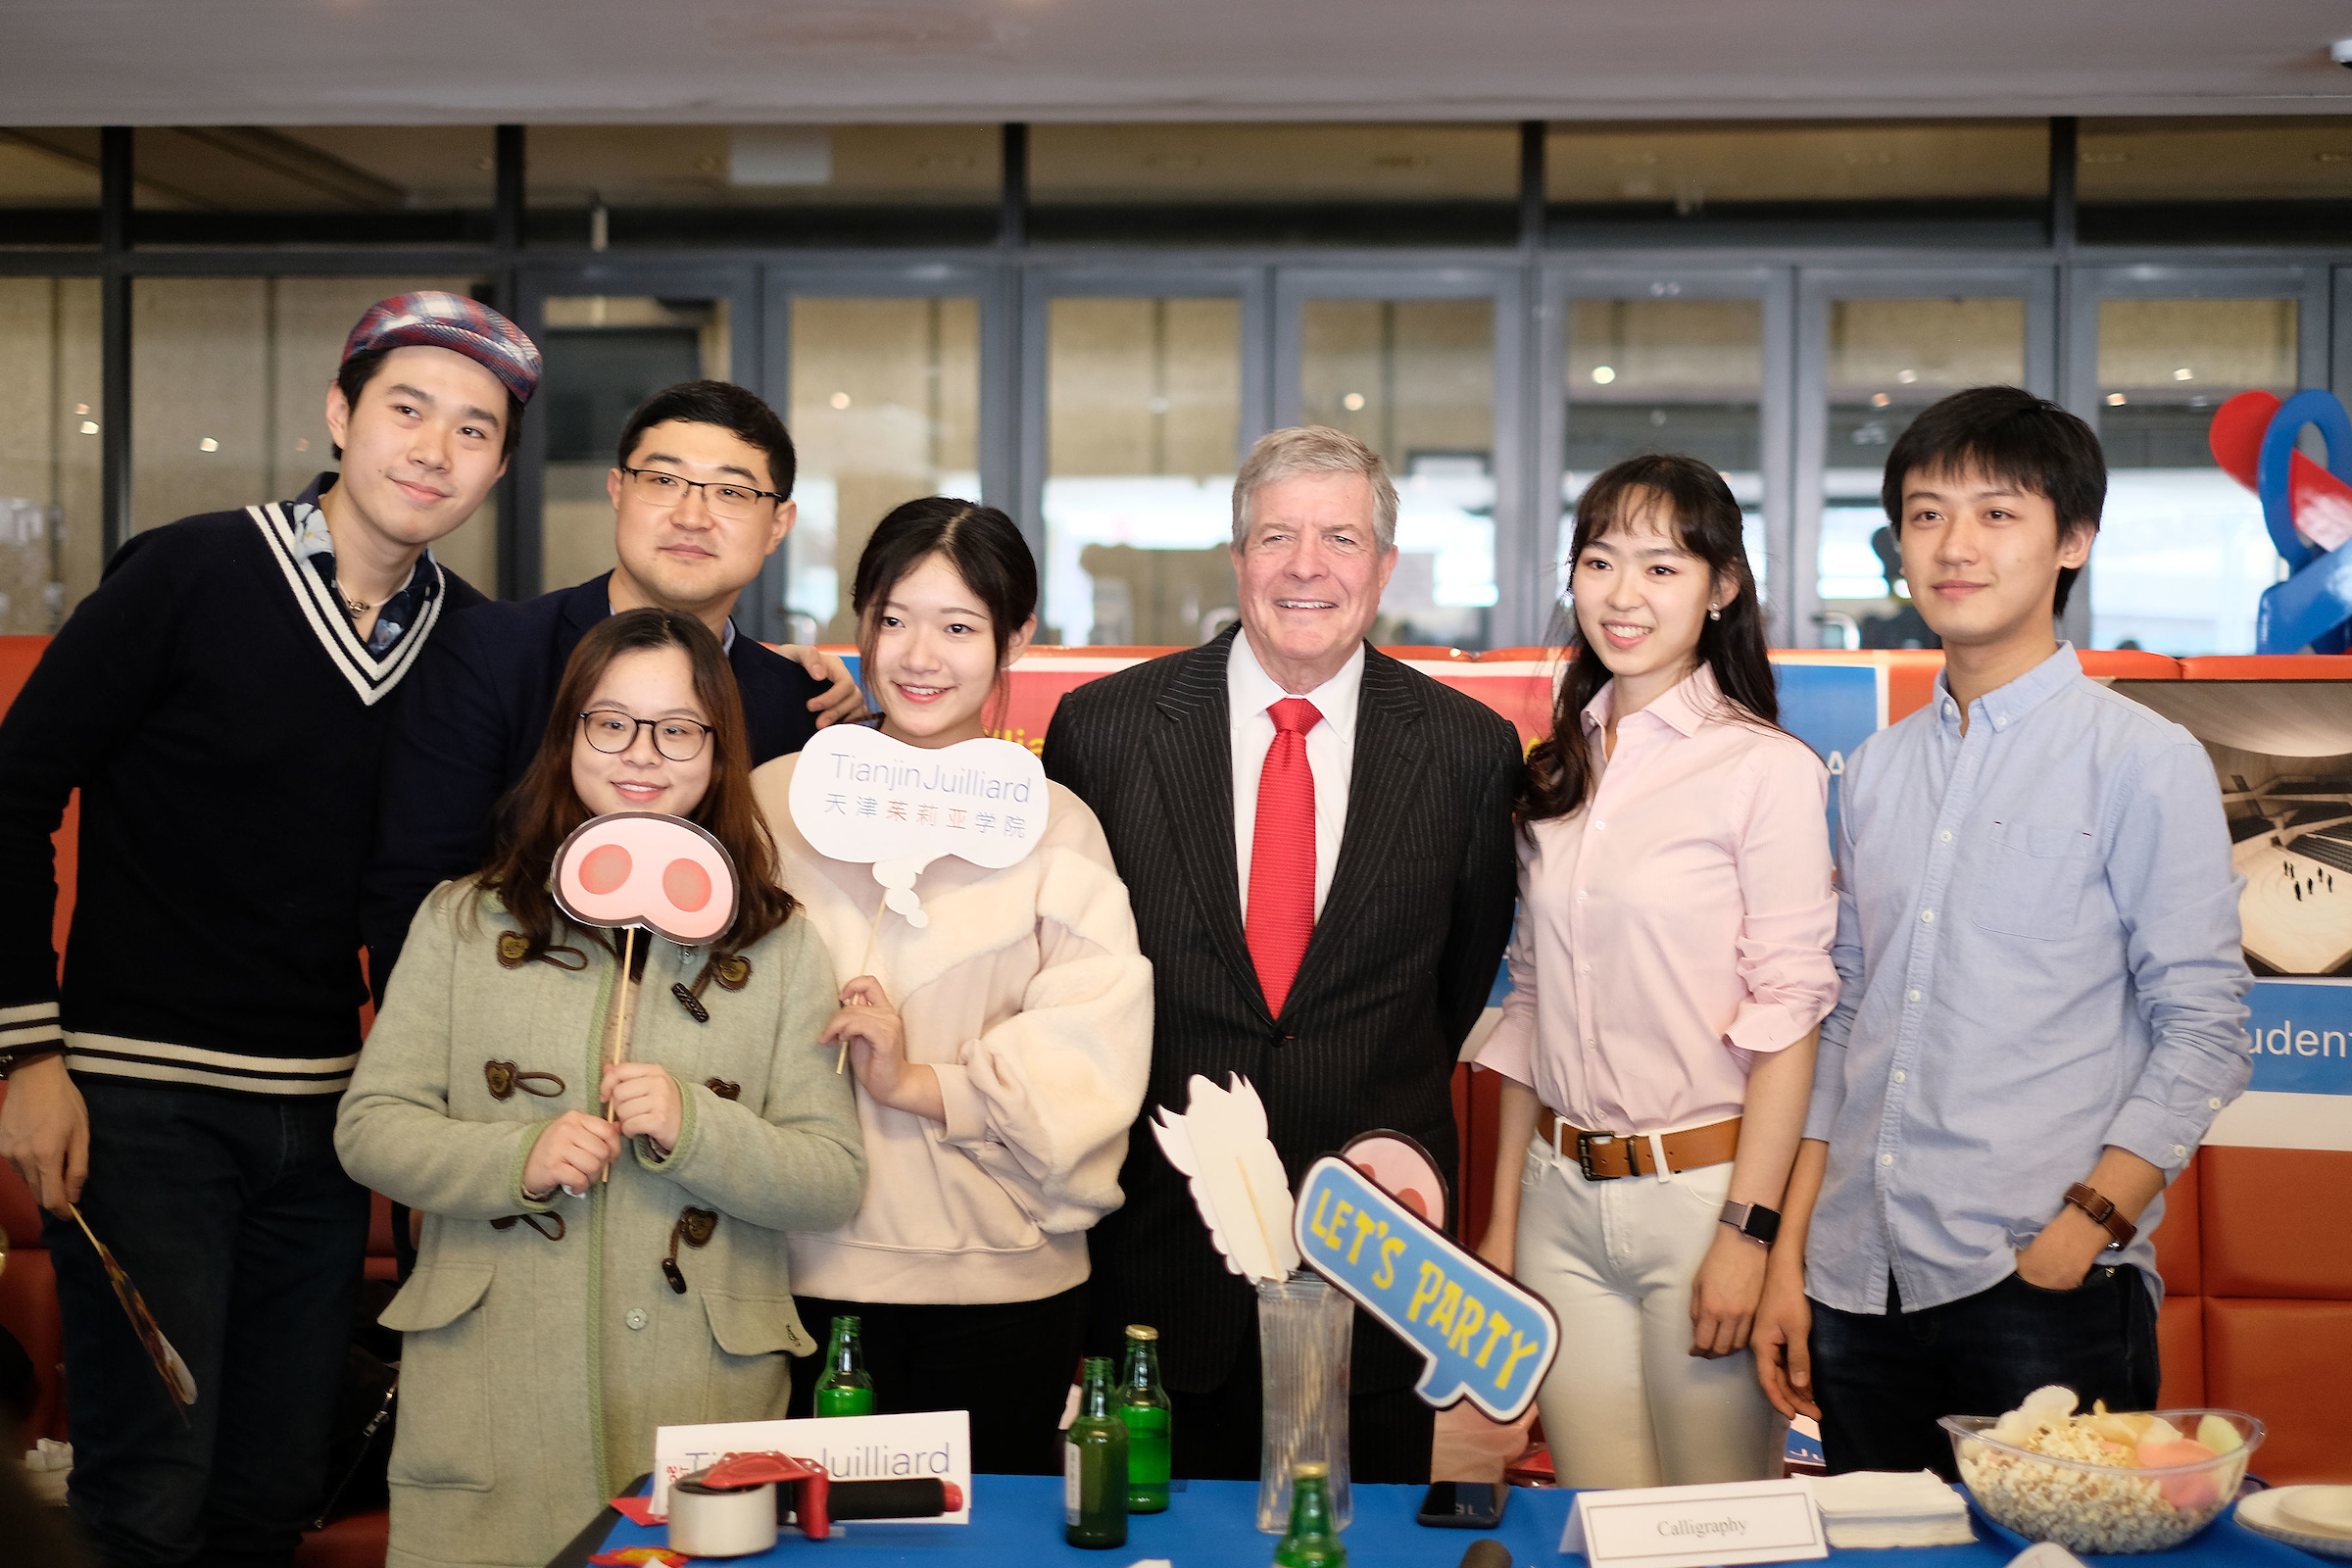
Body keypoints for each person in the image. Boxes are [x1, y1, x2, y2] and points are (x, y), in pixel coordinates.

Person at [0, 290, 533, 1568]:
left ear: (500, 468)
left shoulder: (466, 642)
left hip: (334, 1120)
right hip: (142, 1102)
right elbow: (14, 793)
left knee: (275, 1489)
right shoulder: (191, 569)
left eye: (473, 430)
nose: (432, 449)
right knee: (149, 1488)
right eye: (406, 409)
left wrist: (802, 685)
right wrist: (27, 1056)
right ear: (339, 414)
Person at [1751, 386, 2253, 1475]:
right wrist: (1791, 1256)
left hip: (2041, 1285)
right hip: (1857, 1281)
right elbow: (1844, 1031)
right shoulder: (1875, 772)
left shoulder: (2141, 758)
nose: (1955, 546)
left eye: (1996, 512)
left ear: (2072, 539)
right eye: (1926, 515)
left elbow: (2206, 1026)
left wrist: (2084, 1229)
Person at [337, 608, 864, 1568]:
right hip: (491, 1394)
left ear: (718, 746)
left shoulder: (780, 944)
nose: (642, 754)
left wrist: (697, 1125)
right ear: (568, 733)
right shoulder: (463, 919)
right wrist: (518, 1155)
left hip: (701, 1401)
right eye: (609, 722)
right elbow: (371, 1127)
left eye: (678, 728)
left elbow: (832, 1176)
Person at [1044, 425, 1521, 1484]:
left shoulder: (1468, 752)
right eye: (1278, 536)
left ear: (1384, 566)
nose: (1308, 566)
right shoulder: (1108, 731)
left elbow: (1452, 985)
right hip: (1164, 1268)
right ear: (1237, 557)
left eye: (1341, 538)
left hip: (1377, 1267)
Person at [752, 498, 1152, 1475]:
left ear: (1017, 638)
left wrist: (916, 1082)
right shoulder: (771, 801)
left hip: (1004, 1287)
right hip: (792, 1274)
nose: (920, 654)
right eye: (894, 619)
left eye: (960, 626)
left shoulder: (1060, 828)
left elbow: (1090, 1058)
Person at [1472, 454, 1838, 1487]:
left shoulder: (1766, 769)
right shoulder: (1556, 770)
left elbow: (1793, 1017)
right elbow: (1530, 1010)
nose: (1622, 596)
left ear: (1722, 587)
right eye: (1599, 561)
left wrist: (1749, 1235)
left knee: (1712, 1536)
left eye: (1662, 567)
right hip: (1558, 1201)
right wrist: (1502, 1227)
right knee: (1596, 1516)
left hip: (1702, 1197)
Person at [363, 378, 863, 1004]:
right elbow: (412, 889)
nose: (691, 516)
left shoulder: (804, 707)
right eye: (663, 481)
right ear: (618, 490)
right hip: (506, 1066)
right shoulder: (490, 654)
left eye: (732, 492)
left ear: (779, 523)